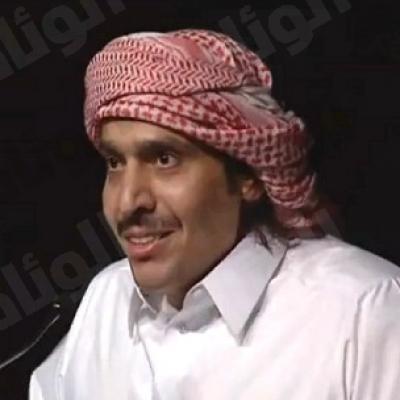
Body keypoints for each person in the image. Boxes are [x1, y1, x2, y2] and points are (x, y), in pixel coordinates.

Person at [29, 29, 400, 400]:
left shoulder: (365, 311)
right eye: (115, 162)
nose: (127, 202)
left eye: (164, 159)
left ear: (248, 176)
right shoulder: (106, 299)